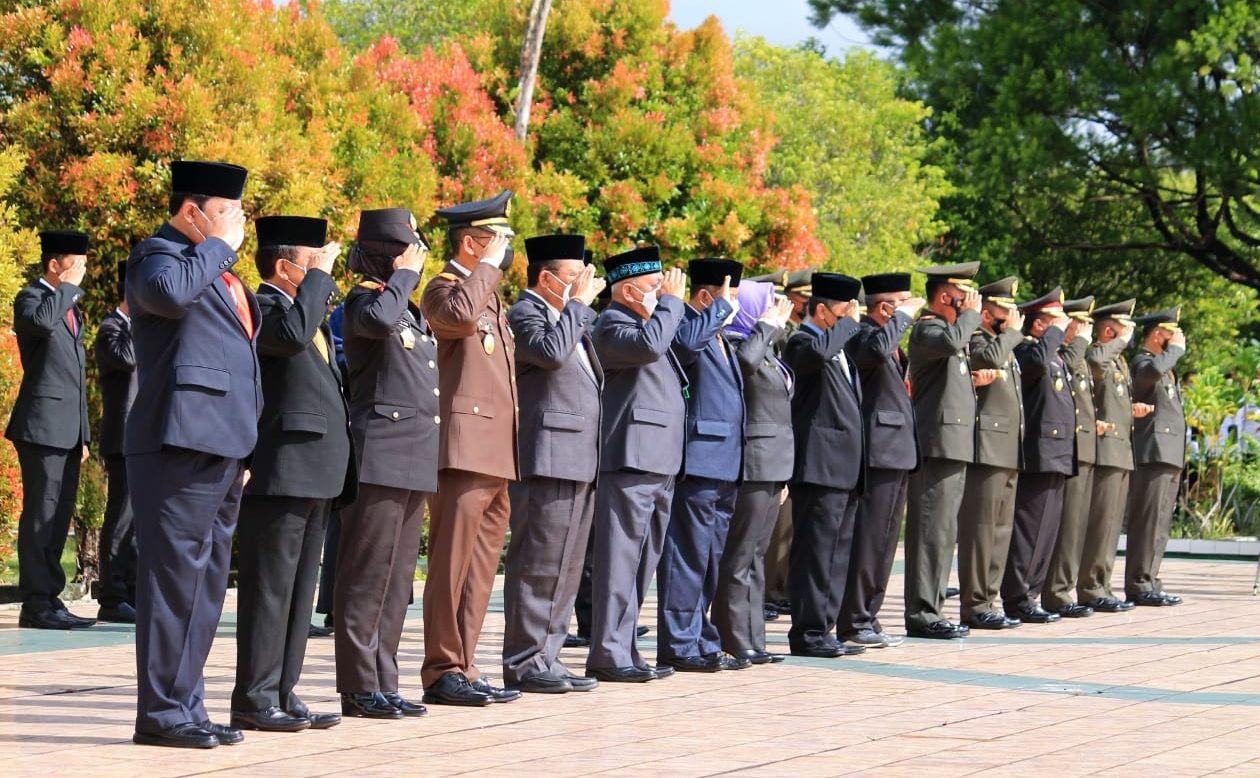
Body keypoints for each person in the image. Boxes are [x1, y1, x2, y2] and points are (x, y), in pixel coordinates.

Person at [126, 160, 255, 748]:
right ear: (192, 211)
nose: (240, 224)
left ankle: (187, 704)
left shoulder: (220, 272)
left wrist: (248, 443)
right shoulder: (160, 254)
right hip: (177, 441)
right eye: (230, 211)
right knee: (174, 581)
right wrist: (219, 248)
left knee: (204, 586)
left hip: (224, 445)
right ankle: (161, 712)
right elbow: (167, 296)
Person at [230, 216, 351, 732]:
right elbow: (291, 338)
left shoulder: (303, 309)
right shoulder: (264, 307)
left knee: (301, 590)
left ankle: (284, 689)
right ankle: (254, 698)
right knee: (270, 588)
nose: (324, 271)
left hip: (316, 468)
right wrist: (319, 281)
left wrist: (316, 283)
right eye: (313, 262)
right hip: (281, 468)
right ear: (285, 266)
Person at [420, 190, 522, 706]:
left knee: (481, 569)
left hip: (497, 451)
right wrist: (485, 268)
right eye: (495, 241)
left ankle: (466, 663)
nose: (504, 252)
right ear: (469, 242)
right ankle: (440, 667)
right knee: (451, 564)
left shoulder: (489, 293)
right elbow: (456, 321)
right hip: (462, 447)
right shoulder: (443, 288)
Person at [334, 208, 436, 719]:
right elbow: (374, 324)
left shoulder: (405, 306)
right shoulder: (365, 299)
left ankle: (383, 679)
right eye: (408, 247)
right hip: (379, 452)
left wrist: (405, 285)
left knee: (398, 581)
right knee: (367, 576)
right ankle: (357, 685)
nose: (416, 254)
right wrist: (404, 278)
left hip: (413, 455)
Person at [501, 234, 605, 694]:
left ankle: (549, 656)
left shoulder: (568, 317)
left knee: (566, 564)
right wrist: (578, 306)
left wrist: (576, 310)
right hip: (548, 458)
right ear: (546, 278)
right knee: (539, 562)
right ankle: (525, 660)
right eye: (573, 276)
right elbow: (548, 354)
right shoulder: (526, 314)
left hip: (578, 457)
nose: (582, 284)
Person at [586, 246, 688, 683]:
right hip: (629, 459)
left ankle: (624, 647)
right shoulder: (613, 323)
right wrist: (672, 303)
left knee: (643, 561)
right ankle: (608, 653)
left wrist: (664, 305)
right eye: (653, 287)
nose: (662, 294)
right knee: (620, 561)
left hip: (658, 459)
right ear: (627, 290)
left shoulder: (649, 322)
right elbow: (648, 348)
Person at [657, 259, 742, 672]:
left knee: (710, 559)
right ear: (706, 296)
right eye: (729, 296)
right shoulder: (687, 322)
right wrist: (718, 310)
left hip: (725, 461)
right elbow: (684, 348)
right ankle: (678, 643)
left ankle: (702, 638)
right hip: (700, 460)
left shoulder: (719, 332)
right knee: (686, 556)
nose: (734, 304)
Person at [8, 230, 94, 630]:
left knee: (60, 517)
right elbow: (39, 324)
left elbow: (76, 375)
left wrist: (84, 435)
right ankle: (35, 601)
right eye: (75, 264)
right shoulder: (33, 298)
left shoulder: (72, 307)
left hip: (68, 431)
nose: (82, 272)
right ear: (54, 265)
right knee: (40, 513)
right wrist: (68, 289)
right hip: (41, 425)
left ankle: (52, 597)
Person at [782, 272, 868, 658]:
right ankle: (807, 631)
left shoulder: (839, 348)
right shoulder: (802, 342)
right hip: (819, 466)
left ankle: (826, 628)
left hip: (845, 467)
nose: (851, 318)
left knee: (836, 553)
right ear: (821, 311)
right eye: (843, 311)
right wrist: (847, 324)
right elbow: (812, 358)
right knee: (814, 554)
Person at [839, 273, 925, 648]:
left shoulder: (889, 341)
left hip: (897, 450)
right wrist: (901, 320)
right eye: (903, 301)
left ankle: (868, 617)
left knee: (886, 540)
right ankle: (853, 620)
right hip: (877, 451)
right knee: (869, 539)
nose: (911, 307)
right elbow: (870, 355)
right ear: (885, 306)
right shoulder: (862, 333)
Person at [713, 280, 793, 665]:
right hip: (753, 460)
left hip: (775, 463)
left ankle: (753, 638)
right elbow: (745, 366)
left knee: (758, 555)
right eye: (767, 303)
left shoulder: (766, 346)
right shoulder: (737, 343)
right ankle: (731, 635)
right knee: (740, 554)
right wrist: (764, 327)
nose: (775, 308)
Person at [903, 261, 982, 640]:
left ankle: (933, 607)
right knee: (931, 529)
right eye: (963, 294)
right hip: (937, 443)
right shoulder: (928, 329)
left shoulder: (950, 330)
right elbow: (952, 342)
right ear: (947, 295)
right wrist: (969, 316)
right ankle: (922, 613)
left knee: (944, 530)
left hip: (953, 443)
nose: (970, 301)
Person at [956, 276, 1026, 630]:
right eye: (1005, 310)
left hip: (1008, 447)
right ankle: (974, 603)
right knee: (981, 530)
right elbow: (986, 358)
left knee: (1000, 530)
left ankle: (990, 599)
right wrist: (1010, 334)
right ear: (986, 313)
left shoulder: (1002, 342)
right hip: (987, 447)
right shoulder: (979, 339)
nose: (1013, 317)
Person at [1002, 288, 1073, 624]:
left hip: (1058, 450)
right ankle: (1017, 596)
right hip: (1038, 448)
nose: (1064, 327)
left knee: (1046, 530)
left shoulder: (1054, 353)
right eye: (1055, 322)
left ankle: (1032, 592)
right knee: (1029, 528)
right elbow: (1035, 364)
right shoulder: (1026, 349)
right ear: (1040, 324)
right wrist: (1056, 332)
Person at [1078, 299, 1141, 612]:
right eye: (1120, 328)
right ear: (1106, 330)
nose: (1127, 334)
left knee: (1112, 524)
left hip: (1119, 449)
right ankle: (1090, 587)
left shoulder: (1119, 361)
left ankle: (1102, 583)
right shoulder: (1099, 353)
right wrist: (1119, 342)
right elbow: (1096, 363)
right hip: (1104, 451)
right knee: (1100, 523)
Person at [1041, 296, 1100, 618]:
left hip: (1079, 445)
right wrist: (1077, 340)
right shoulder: (1061, 354)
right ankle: (1056, 592)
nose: (1083, 330)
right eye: (1080, 323)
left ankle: (1061, 590)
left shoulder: (1069, 356)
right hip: (1064, 446)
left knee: (1075, 525)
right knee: (1065, 526)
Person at [762, 267, 816, 615]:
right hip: (778, 429)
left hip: (793, 429)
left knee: (790, 521)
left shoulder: (797, 331)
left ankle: (781, 586)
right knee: (776, 521)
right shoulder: (785, 333)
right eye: (803, 298)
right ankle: (771, 588)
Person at [1125, 306, 1187, 606]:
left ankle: (1150, 579)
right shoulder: (1142, 361)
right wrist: (1173, 352)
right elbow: (1147, 377)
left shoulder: (1164, 366)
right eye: (1172, 332)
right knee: (1147, 521)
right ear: (1158, 334)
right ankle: (1138, 583)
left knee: (1161, 523)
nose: (1178, 339)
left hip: (1170, 452)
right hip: (1153, 451)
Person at [94, 261, 138, 624]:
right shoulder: (112, 327)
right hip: (123, 437)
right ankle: (111, 595)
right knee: (121, 518)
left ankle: (132, 589)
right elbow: (127, 357)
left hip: (144, 437)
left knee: (138, 520)